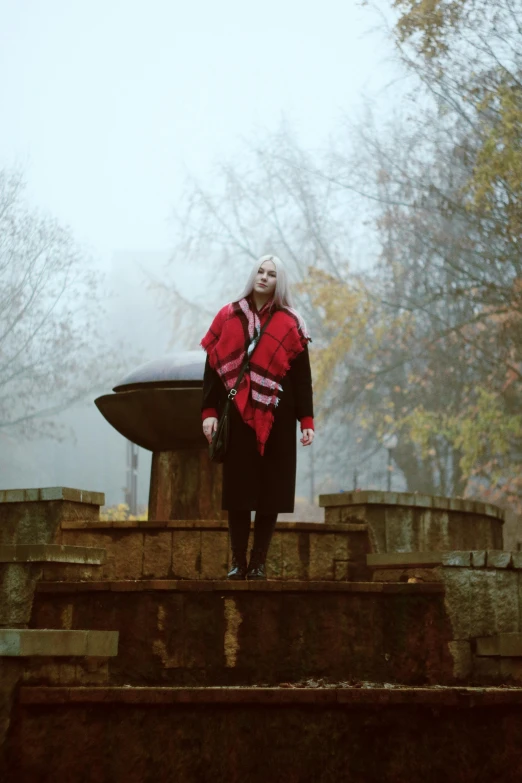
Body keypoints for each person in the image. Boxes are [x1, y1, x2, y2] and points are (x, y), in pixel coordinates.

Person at [200, 254, 314, 580]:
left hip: (279, 416)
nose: (264, 278)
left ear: (281, 281)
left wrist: (306, 421)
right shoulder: (228, 315)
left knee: (271, 492)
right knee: (238, 491)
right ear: (253, 275)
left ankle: (258, 563)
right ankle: (238, 562)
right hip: (236, 414)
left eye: (272, 274)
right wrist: (209, 412)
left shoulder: (291, 323)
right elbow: (212, 367)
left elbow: (302, 377)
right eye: (260, 272)